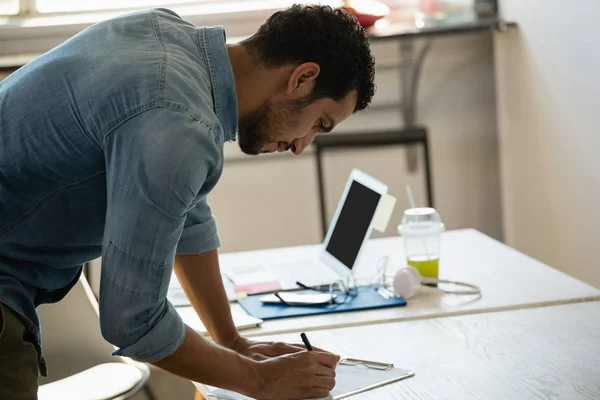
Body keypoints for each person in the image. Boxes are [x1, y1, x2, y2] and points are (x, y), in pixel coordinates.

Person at [0, 4, 375, 399]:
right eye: (320, 123)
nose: (302, 146)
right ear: (302, 78)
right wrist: (260, 380)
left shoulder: (166, 38)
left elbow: (188, 218)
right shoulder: (178, 121)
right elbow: (134, 320)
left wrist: (233, 342)